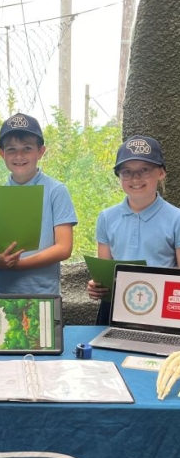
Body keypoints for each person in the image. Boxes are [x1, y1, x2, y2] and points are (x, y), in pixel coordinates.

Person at [87, 135, 180, 324]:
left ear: (161, 172)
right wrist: (96, 287)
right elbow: (105, 272)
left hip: (162, 311)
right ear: (119, 176)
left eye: (144, 170)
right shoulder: (107, 217)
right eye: (127, 172)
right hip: (116, 308)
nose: (135, 178)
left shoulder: (176, 218)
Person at [0, 112, 77, 296]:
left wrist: (19, 265)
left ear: (41, 151)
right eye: (11, 149)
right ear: (2, 154)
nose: (19, 156)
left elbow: (64, 247)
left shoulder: (56, 190)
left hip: (41, 293)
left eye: (27, 148)